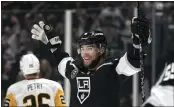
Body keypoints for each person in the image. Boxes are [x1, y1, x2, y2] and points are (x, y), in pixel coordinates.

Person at [31, 16, 151, 107]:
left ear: (101, 49)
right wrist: (52, 44)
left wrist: (138, 44)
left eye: (90, 48)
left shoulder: (112, 67)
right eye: (82, 48)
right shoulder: (74, 68)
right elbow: (62, 59)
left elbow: (133, 61)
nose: (84, 53)